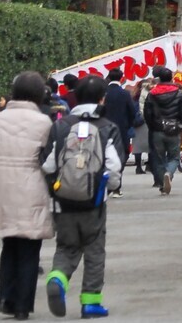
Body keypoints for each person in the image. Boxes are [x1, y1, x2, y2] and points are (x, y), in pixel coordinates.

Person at [42, 74, 123, 320]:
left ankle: (57, 278)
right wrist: (110, 188)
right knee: (94, 250)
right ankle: (91, 303)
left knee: (66, 247)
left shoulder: (60, 126)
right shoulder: (107, 127)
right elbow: (114, 166)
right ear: (102, 98)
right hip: (94, 203)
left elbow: (47, 165)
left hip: (62, 200)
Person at [0, 71, 56, 320]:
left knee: (9, 245)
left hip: (2, 186)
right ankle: (23, 305)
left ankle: (5, 297)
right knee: (29, 249)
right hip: (32, 186)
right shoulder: (44, 123)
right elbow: (49, 160)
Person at [142, 66, 182, 195]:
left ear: (159, 79)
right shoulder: (179, 93)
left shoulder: (152, 94)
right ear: (171, 78)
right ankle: (169, 173)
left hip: (157, 130)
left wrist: (152, 127)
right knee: (174, 157)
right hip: (174, 129)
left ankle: (162, 184)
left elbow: (147, 113)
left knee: (158, 158)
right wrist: (181, 125)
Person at [100, 68, 139, 197]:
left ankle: (105, 184)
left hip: (103, 128)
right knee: (121, 156)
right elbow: (133, 112)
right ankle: (116, 186)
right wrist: (129, 124)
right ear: (122, 78)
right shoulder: (125, 94)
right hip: (121, 129)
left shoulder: (103, 93)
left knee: (103, 155)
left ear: (109, 78)